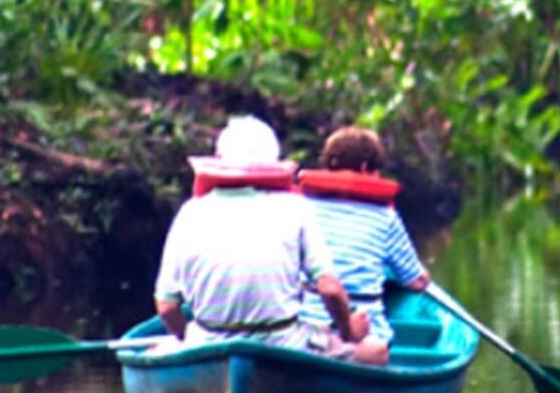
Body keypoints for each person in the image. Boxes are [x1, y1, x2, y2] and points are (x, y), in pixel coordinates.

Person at [153, 116, 361, 351]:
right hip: (284, 344)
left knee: (160, 349)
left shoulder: (190, 212)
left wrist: (186, 338)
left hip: (207, 343)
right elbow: (330, 289)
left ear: (220, 159)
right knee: (374, 353)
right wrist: (349, 331)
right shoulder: (297, 207)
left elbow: (167, 307)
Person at [298, 126, 430, 365]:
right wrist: (419, 277)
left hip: (305, 328)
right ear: (364, 169)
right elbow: (416, 281)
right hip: (363, 333)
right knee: (376, 346)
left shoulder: (302, 207)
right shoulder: (384, 216)